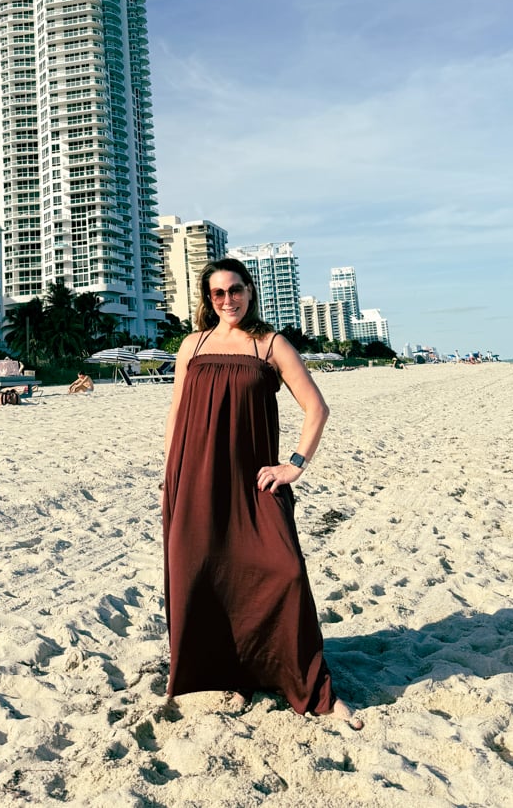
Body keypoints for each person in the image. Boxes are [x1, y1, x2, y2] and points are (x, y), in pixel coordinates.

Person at [162, 257, 362, 728]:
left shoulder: (271, 344)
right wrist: (170, 475)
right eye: (217, 293)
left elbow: (316, 408)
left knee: (284, 570)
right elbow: (177, 412)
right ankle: (225, 674)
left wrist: (294, 465)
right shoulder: (193, 345)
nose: (227, 300)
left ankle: (313, 687)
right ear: (208, 299)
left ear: (250, 291)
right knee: (202, 575)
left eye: (235, 290)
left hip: (253, 481)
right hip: (194, 479)